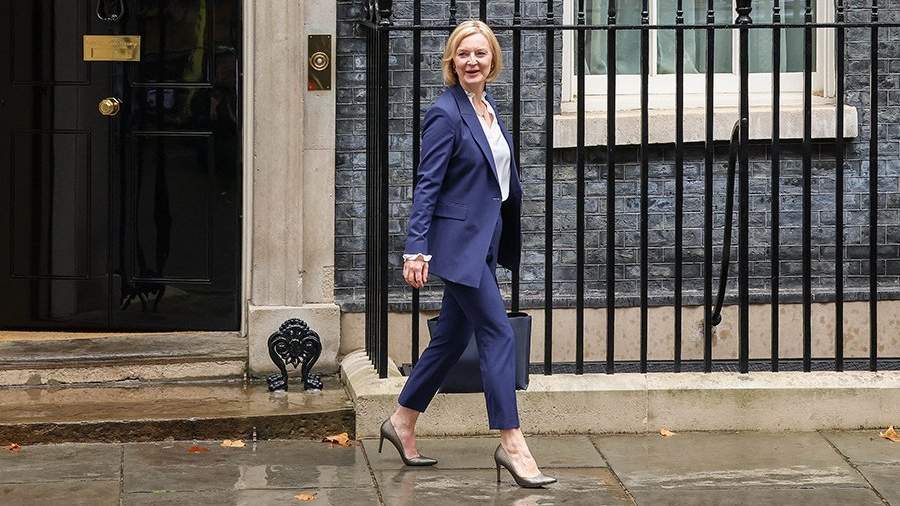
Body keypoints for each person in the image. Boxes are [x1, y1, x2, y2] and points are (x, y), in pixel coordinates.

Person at [378, 20, 556, 489]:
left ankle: (401, 420)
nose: (472, 61)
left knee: (451, 339)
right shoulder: (446, 113)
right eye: (463, 54)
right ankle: (512, 443)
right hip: (458, 247)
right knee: (497, 332)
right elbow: (427, 185)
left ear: (492, 59)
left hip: (484, 240)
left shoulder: (486, 108)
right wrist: (416, 248)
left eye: (480, 53)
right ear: (452, 62)